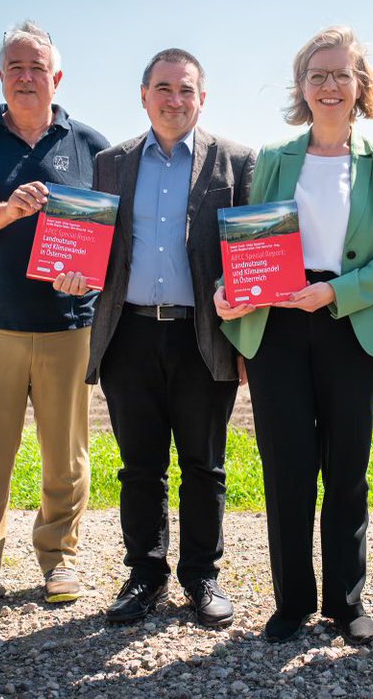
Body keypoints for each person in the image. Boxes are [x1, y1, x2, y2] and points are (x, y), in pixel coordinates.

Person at [216, 26, 373, 645]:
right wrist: (233, 293)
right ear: (302, 87)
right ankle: (292, 602)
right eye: (317, 75)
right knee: (287, 468)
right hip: (277, 326)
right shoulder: (273, 159)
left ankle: (346, 602)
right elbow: (250, 241)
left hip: (349, 325)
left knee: (347, 468)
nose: (330, 86)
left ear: (361, 86)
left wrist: (333, 292)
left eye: (341, 74)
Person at [58, 49, 255, 626]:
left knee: (204, 466)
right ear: (143, 95)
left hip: (204, 335)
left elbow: (247, 253)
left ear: (203, 97)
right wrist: (75, 275)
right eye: (163, 88)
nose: (175, 100)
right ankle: (144, 574)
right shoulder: (113, 163)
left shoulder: (237, 161)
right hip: (129, 334)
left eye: (186, 90)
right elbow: (94, 252)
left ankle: (201, 576)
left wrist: (244, 334)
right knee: (139, 467)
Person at [0, 20, 109, 613]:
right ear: (2, 78)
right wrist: (8, 210)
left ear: (56, 77)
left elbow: (111, 236)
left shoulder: (92, 146)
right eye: (16, 66)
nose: (27, 76)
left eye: (38, 67)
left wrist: (91, 274)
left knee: (67, 455)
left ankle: (60, 560)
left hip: (68, 325)